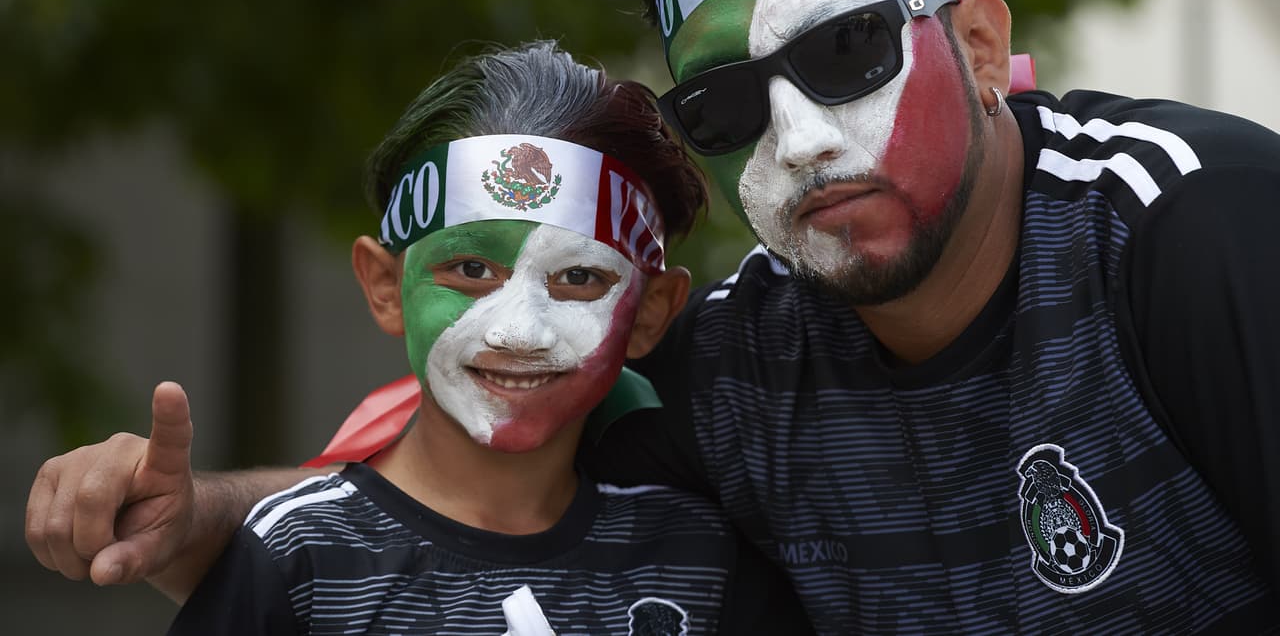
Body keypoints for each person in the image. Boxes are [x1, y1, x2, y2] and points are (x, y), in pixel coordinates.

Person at [27, 0, 1280, 633]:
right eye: (726, 104)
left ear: (979, 38)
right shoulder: (735, 364)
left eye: (844, 51)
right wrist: (193, 521)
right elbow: (456, 493)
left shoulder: (1191, 230)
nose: (796, 140)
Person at [38, 41, 813, 634]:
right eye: (470, 268)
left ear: (650, 312)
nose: (517, 328)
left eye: (579, 279)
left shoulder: (700, 561)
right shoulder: (293, 559)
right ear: (384, 284)